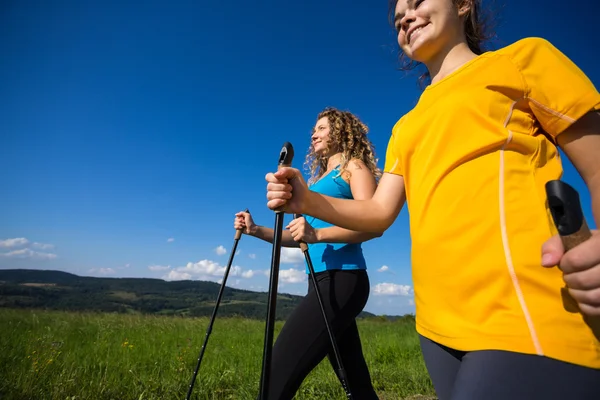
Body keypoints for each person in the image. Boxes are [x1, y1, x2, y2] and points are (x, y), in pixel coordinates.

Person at [264, 1, 600, 399]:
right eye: (397, 17)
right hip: (436, 325)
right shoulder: (406, 126)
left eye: (418, 1)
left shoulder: (523, 59)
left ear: (462, 5)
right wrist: (306, 199)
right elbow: (377, 214)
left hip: (523, 306)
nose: (404, 16)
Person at [234, 107, 382, 399]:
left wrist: (318, 234)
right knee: (354, 378)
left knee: (276, 374)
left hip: (344, 279)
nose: (314, 133)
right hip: (318, 281)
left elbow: (374, 224)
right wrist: (255, 230)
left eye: (323, 128)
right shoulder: (314, 183)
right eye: (314, 129)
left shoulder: (354, 168)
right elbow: (296, 236)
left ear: (341, 130)